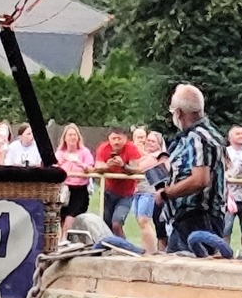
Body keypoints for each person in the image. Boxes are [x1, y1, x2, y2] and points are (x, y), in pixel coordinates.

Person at [153, 85, 226, 252]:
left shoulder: (198, 137)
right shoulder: (197, 136)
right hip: (187, 219)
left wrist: (166, 193)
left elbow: (200, 179)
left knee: (187, 266)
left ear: (179, 113)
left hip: (197, 218)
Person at [95, 128, 140, 235]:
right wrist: (107, 166)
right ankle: (109, 243)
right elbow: (97, 166)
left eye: (119, 139)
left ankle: (122, 243)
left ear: (125, 139)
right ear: (109, 139)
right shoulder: (104, 148)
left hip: (126, 194)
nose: (116, 142)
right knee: (105, 224)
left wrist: (123, 166)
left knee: (117, 223)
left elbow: (137, 169)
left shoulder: (131, 148)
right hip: (108, 191)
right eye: (113, 138)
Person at [130, 129, 166, 252]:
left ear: (159, 144)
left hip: (149, 192)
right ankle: (146, 248)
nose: (149, 143)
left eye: (153, 141)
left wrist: (138, 152)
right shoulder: (145, 155)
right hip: (138, 191)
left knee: (144, 220)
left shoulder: (157, 156)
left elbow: (138, 168)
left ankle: (151, 251)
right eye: (148, 140)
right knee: (141, 222)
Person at [55, 124, 94, 219]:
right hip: (63, 189)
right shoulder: (60, 153)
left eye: (74, 135)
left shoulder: (84, 152)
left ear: (78, 137)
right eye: (70, 135)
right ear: (65, 138)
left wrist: (79, 163)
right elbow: (52, 169)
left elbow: (91, 169)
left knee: (70, 218)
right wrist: (59, 163)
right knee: (61, 218)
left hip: (79, 190)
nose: (72, 137)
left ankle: (67, 230)